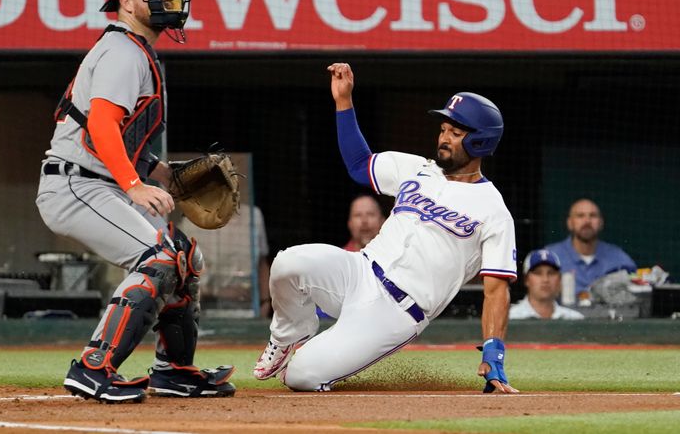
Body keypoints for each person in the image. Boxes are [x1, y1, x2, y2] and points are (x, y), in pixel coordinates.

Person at [36, 0, 235, 403]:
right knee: (159, 259)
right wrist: (134, 186)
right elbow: (103, 125)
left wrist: (161, 173)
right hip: (76, 183)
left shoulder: (136, 51)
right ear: (127, 2)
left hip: (96, 180)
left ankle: (174, 371)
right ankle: (93, 368)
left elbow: (121, 140)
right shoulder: (124, 51)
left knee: (184, 258)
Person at [254, 63, 518, 393]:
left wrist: (494, 353)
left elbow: (496, 289)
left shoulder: (493, 210)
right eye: (444, 128)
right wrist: (343, 102)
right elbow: (358, 165)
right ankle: (289, 334)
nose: (443, 137)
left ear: (480, 142)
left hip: (395, 311)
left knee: (301, 377)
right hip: (358, 270)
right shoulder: (418, 168)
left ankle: (321, 358)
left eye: (455, 132)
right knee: (287, 262)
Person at [545, 198, 637, 304]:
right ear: (570, 223)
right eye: (580, 216)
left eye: (593, 215)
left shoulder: (619, 258)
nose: (587, 221)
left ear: (601, 223)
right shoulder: (550, 256)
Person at [509, 249, 584, 320]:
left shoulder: (574, 319)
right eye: (538, 273)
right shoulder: (511, 317)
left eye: (551, 273)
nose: (545, 279)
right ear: (526, 279)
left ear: (559, 279)